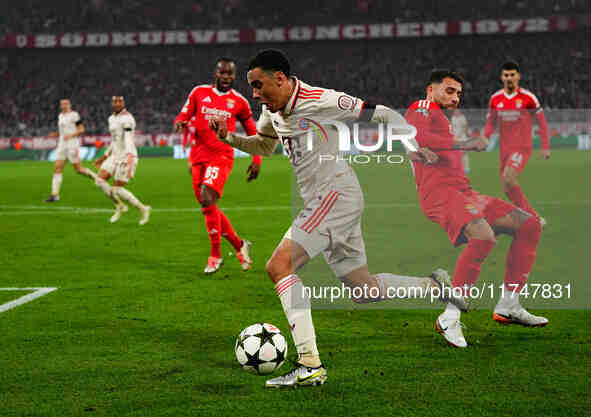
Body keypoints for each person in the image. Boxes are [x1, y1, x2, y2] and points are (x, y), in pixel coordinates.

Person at [210, 49, 466, 388]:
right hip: (330, 199)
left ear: (280, 79)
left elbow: (381, 113)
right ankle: (435, 286)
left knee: (278, 266)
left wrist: (410, 147)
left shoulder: (318, 100)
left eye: (259, 86)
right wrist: (226, 137)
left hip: (333, 195)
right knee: (364, 289)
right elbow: (265, 147)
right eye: (252, 88)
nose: (255, 94)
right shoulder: (270, 111)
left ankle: (309, 365)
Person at [405, 69, 548, 349]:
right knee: (482, 237)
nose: (456, 97)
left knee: (528, 224)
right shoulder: (422, 107)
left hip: (464, 193)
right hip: (440, 194)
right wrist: (464, 143)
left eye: (459, 93)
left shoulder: (443, 120)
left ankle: (508, 304)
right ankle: (450, 315)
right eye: (449, 90)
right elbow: (419, 135)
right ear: (430, 90)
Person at [174, 58, 262, 274]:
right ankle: (239, 245)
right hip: (198, 155)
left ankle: (215, 255)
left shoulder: (239, 101)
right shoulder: (199, 92)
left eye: (230, 74)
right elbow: (185, 114)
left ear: (234, 76)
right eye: (222, 73)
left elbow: (252, 131)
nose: (226, 77)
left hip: (221, 155)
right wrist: (180, 121)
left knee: (206, 198)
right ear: (216, 73)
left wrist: (257, 159)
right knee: (208, 205)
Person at [483, 61, 550, 221]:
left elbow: (542, 123)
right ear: (501, 77)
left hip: (522, 147)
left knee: (509, 179)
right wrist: (485, 137)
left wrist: (545, 146)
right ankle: (527, 216)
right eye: (506, 75)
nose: (509, 78)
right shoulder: (495, 98)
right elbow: (490, 123)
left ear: (518, 76)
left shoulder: (528, 98)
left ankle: (532, 218)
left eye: (512, 75)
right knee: (507, 187)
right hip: (504, 149)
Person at [93, 96, 151, 225]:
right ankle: (119, 205)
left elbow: (128, 138)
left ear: (123, 103)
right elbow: (114, 140)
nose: (117, 103)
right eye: (115, 101)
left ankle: (143, 209)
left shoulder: (128, 118)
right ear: (112, 103)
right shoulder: (111, 118)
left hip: (126, 156)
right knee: (99, 181)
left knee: (117, 189)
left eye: (120, 101)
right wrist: (104, 156)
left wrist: (130, 156)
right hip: (114, 155)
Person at [45, 98, 96, 202]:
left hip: (72, 145)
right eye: (62, 104)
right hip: (61, 145)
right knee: (57, 168)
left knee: (78, 169)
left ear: (69, 105)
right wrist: (56, 134)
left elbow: (81, 129)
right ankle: (54, 195)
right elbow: (63, 132)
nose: (64, 106)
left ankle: (97, 178)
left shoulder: (74, 115)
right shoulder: (60, 116)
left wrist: (71, 135)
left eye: (66, 104)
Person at [451, 109, 470, 174]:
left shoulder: (462, 117)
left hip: (462, 138)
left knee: (464, 153)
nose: (456, 112)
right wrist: (453, 136)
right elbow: (452, 128)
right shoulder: (453, 118)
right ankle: (458, 167)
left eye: (457, 111)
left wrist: (460, 135)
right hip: (455, 138)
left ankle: (467, 168)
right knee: (456, 153)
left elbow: (465, 127)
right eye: (455, 111)